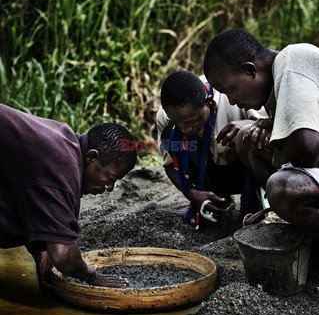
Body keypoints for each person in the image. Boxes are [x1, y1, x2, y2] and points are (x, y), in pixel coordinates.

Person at [0, 103, 137, 293]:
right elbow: (62, 255)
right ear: (91, 158)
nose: (109, 188)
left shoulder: (65, 144)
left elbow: (25, 191)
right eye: (110, 178)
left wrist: (39, 248)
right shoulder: (60, 167)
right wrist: (91, 275)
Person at [203, 28, 319, 239]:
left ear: (250, 70)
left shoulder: (290, 61)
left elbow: (306, 148)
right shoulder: (276, 87)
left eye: (231, 90)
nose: (231, 101)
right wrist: (276, 127)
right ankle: (301, 223)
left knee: (282, 187)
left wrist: (282, 143)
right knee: (247, 138)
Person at [157, 71, 266, 228]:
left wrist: (249, 125)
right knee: (171, 135)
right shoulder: (166, 118)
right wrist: (192, 194)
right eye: (179, 124)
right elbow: (169, 164)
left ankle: (253, 210)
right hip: (209, 171)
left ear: (210, 103)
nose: (186, 129)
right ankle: (216, 200)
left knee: (248, 135)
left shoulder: (233, 99)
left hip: (242, 172)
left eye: (193, 121)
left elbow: (271, 129)